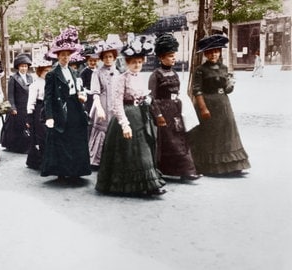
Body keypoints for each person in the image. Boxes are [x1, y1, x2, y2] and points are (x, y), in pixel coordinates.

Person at [96, 34, 166, 196]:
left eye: (140, 62)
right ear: (127, 63)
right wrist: (124, 124)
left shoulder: (140, 77)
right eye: (134, 62)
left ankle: (150, 184)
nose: (137, 65)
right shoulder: (122, 78)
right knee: (130, 152)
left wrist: (147, 99)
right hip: (127, 117)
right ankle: (132, 185)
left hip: (141, 116)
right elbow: (116, 103)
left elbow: (143, 95)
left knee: (144, 150)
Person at [189, 34, 251, 177]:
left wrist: (231, 84)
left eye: (216, 51)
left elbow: (227, 89)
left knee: (227, 133)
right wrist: (203, 108)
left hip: (223, 104)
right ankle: (210, 167)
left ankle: (231, 165)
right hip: (208, 103)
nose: (213, 54)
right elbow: (197, 90)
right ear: (205, 54)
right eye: (209, 52)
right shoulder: (200, 69)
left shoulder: (224, 68)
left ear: (219, 52)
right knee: (211, 135)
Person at [41, 26, 91, 183]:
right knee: (61, 140)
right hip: (59, 109)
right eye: (62, 55)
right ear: (57, 56)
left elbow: (78, 88)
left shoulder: (74, 72)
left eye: (67, 55)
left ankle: (76, 170)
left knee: (75, 138)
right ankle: (62, 171)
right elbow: (48, 97)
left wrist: (81, 96)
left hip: (75, 107)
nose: (65, 58)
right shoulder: (52, 74)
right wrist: (49, 116)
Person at [148, 33, 200, 181]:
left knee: (181, 139)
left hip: (176, 110)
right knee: (169, 141)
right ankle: (168, 170)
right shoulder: (155, 75)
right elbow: (151, 98)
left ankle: (187, 170)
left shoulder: (175, 73)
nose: (174, 58)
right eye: (170, 56)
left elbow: (178, 92)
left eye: (174, 55)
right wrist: (158, 115)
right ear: (161, 57)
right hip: (163, 111)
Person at [88, 35, 122, 168]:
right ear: (101, 59)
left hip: (115, 105)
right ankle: (97, 159)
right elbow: (95, 93)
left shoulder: (118, 73)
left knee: (114, 129)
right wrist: (99, 107)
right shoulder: (97, 73)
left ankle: (114, 159)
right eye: (105, 57)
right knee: (101, 130)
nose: (108, 59)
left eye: (110, 57)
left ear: (114, 58)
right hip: (102, 104)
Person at [0, 53, 33, 153]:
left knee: (27, 125)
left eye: (25, 66)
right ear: (18, 67)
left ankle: (27, 145)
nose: (24, 68)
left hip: (27, 105)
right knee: (17, 127)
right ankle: (17, 147)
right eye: (22, 66)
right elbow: (10, 94)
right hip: (18, 106)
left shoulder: (30, 78)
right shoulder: (13, 78)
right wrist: (12, 107)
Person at [25, 58, 53, 170]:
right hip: (39, 109)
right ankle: (39, 161)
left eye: (49, 71)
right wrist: (29, 116)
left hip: (50, 109)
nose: (48, 73)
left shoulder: (52, 83)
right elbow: (31, 102)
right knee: (41, 136)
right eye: (45, 71)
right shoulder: (35, 84)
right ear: (40, 71)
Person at [79, 44, 100, 114]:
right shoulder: (84, 72)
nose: (93, 62)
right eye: (90, 61)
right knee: (91, 110)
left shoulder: (99, 71)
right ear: (87, 61)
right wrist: (89, 91)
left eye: (94, 61)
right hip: (89, 95)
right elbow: (81, 86)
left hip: (98, 93)